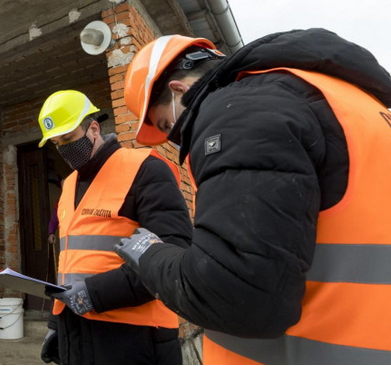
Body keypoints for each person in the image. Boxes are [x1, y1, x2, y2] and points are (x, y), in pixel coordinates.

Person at [115, 29, 391, 364]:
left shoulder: (239, 111)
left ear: (179, 91)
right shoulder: (354, 103)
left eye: (166, 124)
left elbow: (235, 296)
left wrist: (149, 257)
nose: (176, 141)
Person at [36, 90, 193, 365]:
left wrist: (93, 294)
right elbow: (69, 261)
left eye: (69, 139)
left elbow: (173, 253)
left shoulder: (145, 169)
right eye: (56, 143)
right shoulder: (69, 185)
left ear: (94, 128)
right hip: (76, 329)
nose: (63, 149)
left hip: (136, 337)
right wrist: (55, 322)